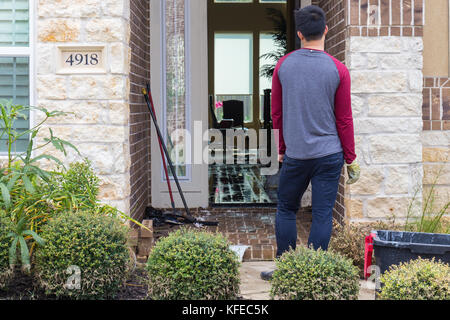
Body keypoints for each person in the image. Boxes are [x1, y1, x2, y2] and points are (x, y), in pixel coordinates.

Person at [261, 5, 361, 281]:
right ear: (326, 30)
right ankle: (312, 274)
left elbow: (276, 113)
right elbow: (344, 119)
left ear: (300, 33)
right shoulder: (338, 69)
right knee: (322, 214)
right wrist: (350, 158)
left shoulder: (284, 65)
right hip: (330, 155)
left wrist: (280, 150)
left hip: (296, 154)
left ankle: (286, 269)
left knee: (286, 208)